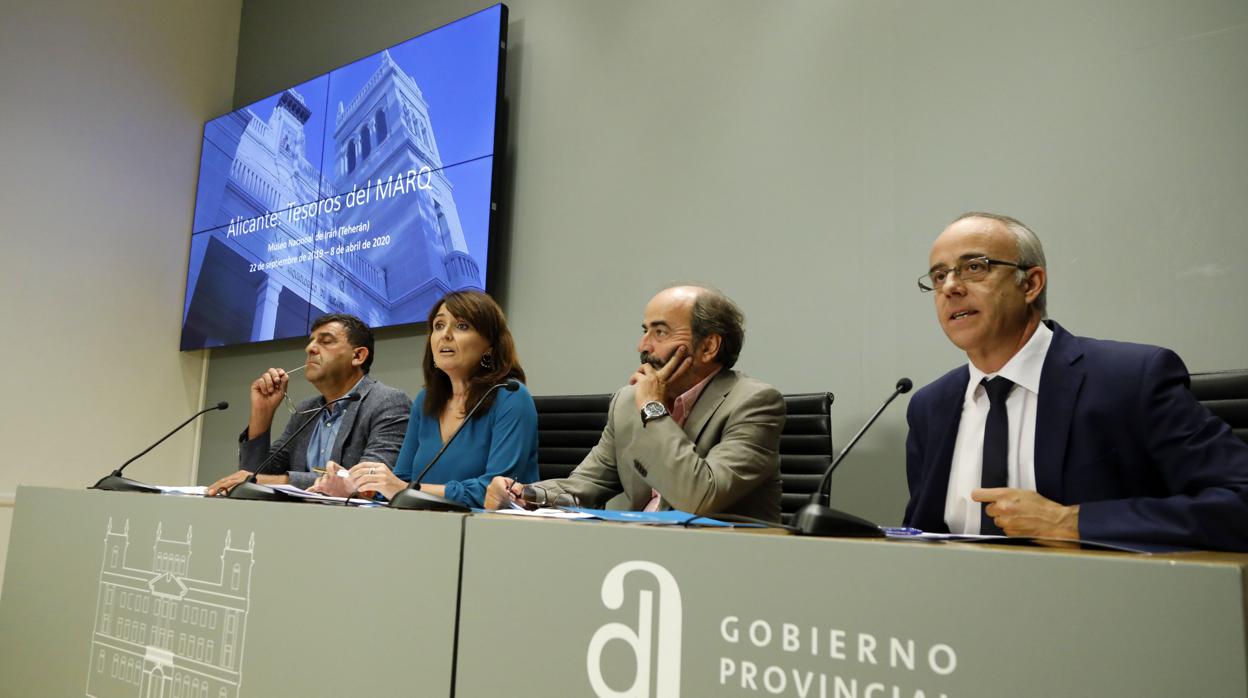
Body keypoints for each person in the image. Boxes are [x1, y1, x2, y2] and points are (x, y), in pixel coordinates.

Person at [904, 212, 1248, 550]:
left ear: (1031, 283)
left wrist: (1071, 522)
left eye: (974, 267)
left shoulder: (1130, 380)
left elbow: (1240, 501)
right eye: (938, 276)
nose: (951, 287)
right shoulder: (930, 407)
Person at [484, 284, 785, 521]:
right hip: (638, 554)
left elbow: (698, 498)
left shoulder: (754, 403)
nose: (643, 346)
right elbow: (582, 488)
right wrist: (527, 494)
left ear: (708, 346)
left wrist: (653, 410)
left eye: (660, 332)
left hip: (721, 564)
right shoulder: (628, 403)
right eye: (645, 331)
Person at [311, 291, 538, 508]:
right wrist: (357, 486)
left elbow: (495, 491)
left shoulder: (511, 396)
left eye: (462, 326)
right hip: (423, 526)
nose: (445, 335)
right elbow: (401, 480)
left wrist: (404, 488)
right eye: (438, 326)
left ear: (489, 346)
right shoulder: (426, 400)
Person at [206, 313, 410, 495]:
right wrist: (262, 412)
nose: (310, 348)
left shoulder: (387, 402)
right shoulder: (305, 410)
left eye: (326, 341)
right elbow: (255, 475)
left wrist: (282, 480)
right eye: (311, 341)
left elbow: (368, 483)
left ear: (358, 356)